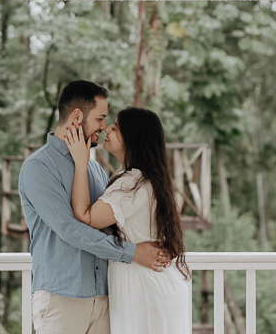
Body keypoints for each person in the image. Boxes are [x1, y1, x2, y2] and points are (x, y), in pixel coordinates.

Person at [19, 81, 170, 334]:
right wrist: (133, 253)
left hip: (106, 299)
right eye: (100, 118)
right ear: (77, 116)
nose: (104, 126)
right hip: (62, 299)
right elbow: (69, 229)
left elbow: (110, 225)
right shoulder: (38, 168)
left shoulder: (94, 169)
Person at [65, 106, 192, 334]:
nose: (107, 129)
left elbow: (85, 216)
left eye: (115, 128)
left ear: (133, 138)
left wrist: (80, 162)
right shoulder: (149, 180)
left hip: (147, 289)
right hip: (159, 286)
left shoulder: (133, 183)